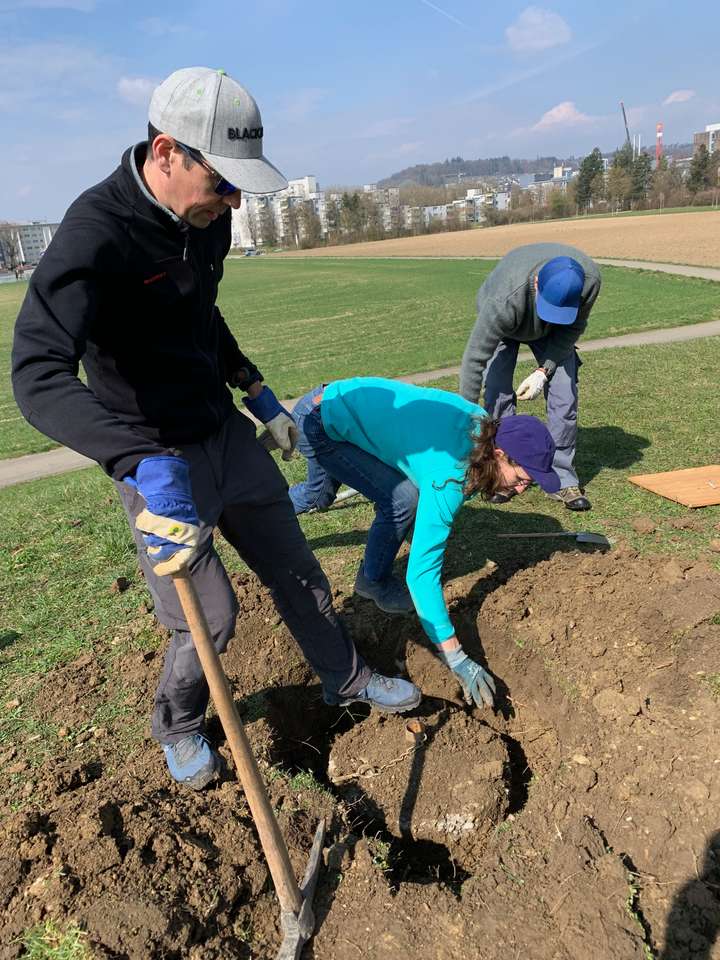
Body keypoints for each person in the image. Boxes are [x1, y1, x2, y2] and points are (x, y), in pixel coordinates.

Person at [11, 67, 420, 792]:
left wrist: (255, 389)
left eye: (239, 187)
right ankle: (177, 724)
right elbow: (36, 375)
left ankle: (346, 677)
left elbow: (201, 313)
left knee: (298, 569)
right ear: (166, 152)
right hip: (157, 459)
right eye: (223, 182)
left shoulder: (209, 221)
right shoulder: (94, 236)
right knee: (209, 616)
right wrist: (138, 460)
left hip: (224, 431)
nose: (233, 201)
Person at [287, 377, 562, 709]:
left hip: (340, 403)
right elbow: (420, 576)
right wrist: (456, 657)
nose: (519, 491)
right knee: (397, 500)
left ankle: (361, 569)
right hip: (321, 420)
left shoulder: (481, 426)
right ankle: (365, 577)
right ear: (500, 454)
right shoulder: (449, 477)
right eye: (520, 481)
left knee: (333, 495)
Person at [459, 242, 602, 511]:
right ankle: (504, 471)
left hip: (555, 334)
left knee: (564, 394)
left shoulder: (589, 282)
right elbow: (474, 359)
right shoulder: (502, 300)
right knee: (497, 389)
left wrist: (543, 370)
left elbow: (573, 328)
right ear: (536, 283)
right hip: (508, 322)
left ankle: (562, 477)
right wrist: (464, 414)